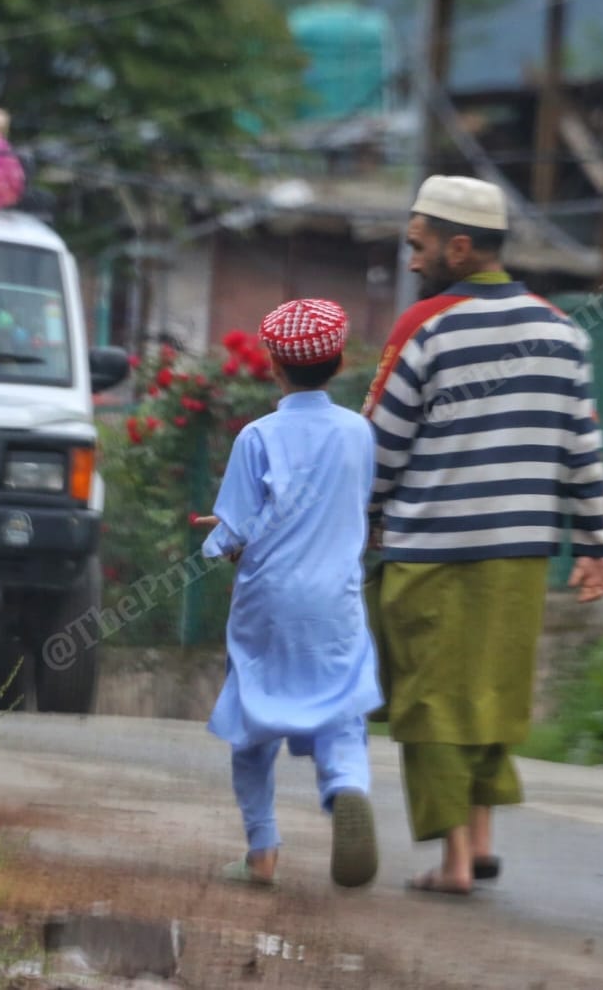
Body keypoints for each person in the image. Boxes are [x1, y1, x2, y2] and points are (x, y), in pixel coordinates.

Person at [363, 175, 603, 895]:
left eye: (419, 247)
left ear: (460, 246)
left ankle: (453, 865)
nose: (413, 261)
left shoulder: (426, 328)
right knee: (488, 696)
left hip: (430, 554)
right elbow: (582, 450)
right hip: (520, 557)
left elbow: (378, 446)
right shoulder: (564, 333)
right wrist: (596, 545)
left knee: (429, 701)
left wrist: (360, 519)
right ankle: (478, 841)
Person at [196, 298, 384, 890]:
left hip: (268, 602)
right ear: (339, 362)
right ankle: (346, 787)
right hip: (335, 600)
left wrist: (215, 541)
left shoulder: (258, 436)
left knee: (252, 722)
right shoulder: (359, 434)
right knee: (341, 710)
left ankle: (262, 850)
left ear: (274, 365)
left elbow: (234, 535)